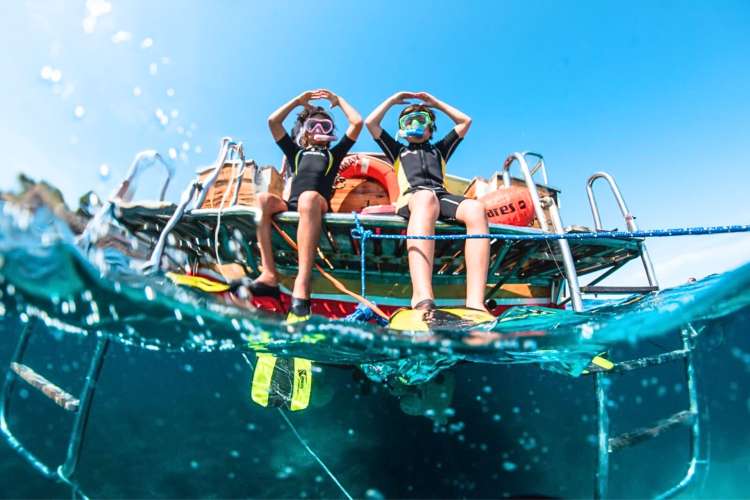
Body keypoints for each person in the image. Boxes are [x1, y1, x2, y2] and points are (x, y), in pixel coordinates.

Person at [365, 91, 489, 312]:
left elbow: (465, 121)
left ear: (431, 127)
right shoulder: (398, 151)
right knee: (425, 197)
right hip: (412, 198)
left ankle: (475, 302)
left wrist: (436, 103)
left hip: (440, 197)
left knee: (476, 209)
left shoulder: (439, 150)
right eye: (408, 120)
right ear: (402, 129)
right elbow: (371, 123)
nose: (414, 123)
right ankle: (422, 297)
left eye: (421, 119)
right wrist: (393, 101)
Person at [246, 89, 362, 322]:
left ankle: (303, 282)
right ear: (305, 133)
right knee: (262, 200)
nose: (319, 130)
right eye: (313, 126)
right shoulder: (296, 154)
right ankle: (269, 273)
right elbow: (273, 121)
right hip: (291, 205)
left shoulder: (334, 155)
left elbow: (357, 122)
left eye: (325, 127)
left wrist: (337, 101)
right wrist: (299, 101)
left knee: (308, 198)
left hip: (316, 204)